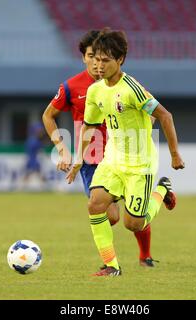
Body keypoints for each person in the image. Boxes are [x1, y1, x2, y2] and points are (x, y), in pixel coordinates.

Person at [66, 28, 185, 276]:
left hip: (139, 165)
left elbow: (165, 115)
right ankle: (111, 266)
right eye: (96, 60)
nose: (99, 66)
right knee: (95, 205)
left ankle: (161, 190)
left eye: (106, 61)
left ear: (120, 60)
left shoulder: (133, 89)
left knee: (134, 224)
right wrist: (79, 159)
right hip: (112, 161)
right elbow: (89, 125)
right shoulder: (95, 91)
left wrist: (175, 155)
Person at [42, 30, 159, 268]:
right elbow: (48, 116)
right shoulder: (71, 87)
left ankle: (144, 255)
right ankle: (112, 265)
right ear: (84, 58)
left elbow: (153, 111)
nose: (97, 62)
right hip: (93, 158)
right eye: (92, 55)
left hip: (126, 157)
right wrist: (63, 150)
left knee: (133, 215)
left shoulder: (123, 82)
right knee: (113, 216)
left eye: (102, 56)